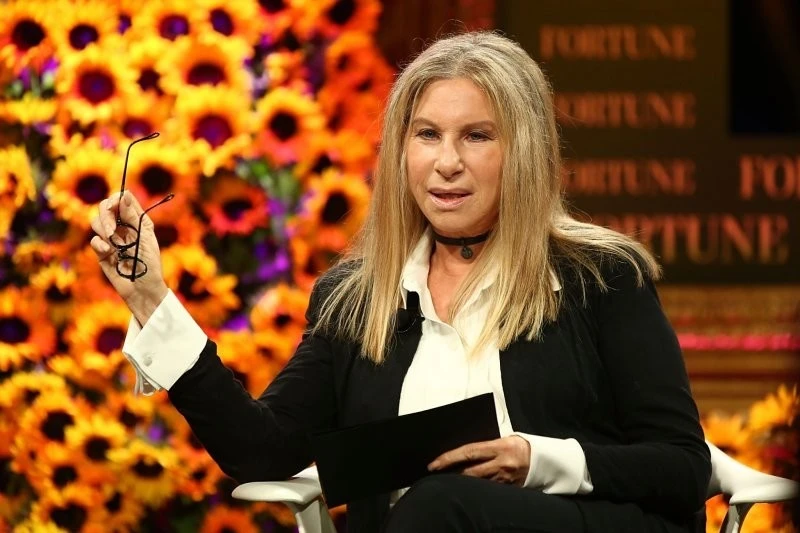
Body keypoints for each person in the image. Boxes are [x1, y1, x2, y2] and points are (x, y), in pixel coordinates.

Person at [90, 31, 711, 533]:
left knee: (441, 503)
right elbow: (261, 452)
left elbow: (682, 466)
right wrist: (150, 298)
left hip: (587, 522)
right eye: (427, 135)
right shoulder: (357, 299)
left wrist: (538, 460)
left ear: (523, 151)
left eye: (476, 136)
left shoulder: (601, 278)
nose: (447, 163)